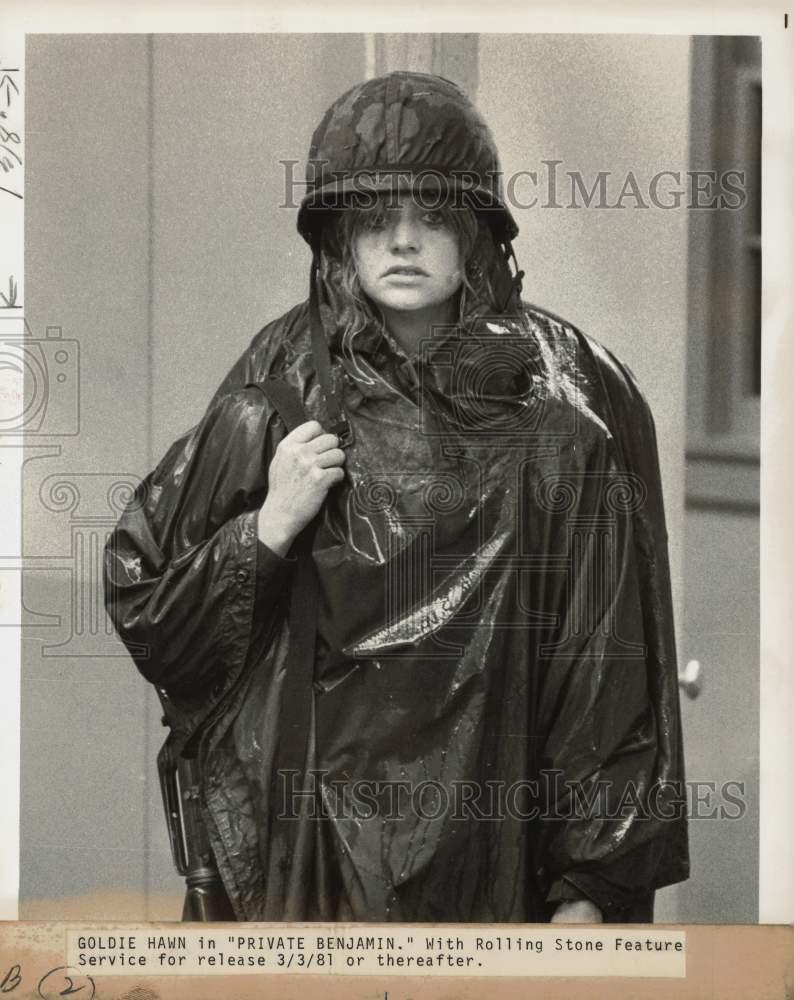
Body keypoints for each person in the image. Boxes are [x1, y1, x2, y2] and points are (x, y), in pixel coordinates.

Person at [104, 71, 689, 924]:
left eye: (433, 215)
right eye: (376, 218)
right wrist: (264, 532)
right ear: (339, 236)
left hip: (503, 854)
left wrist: (591, 886)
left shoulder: (568, 407)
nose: (403, 242)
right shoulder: (278, 385)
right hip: (311, 854)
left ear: (478, 231)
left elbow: (606, 656)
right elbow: (145, 594)